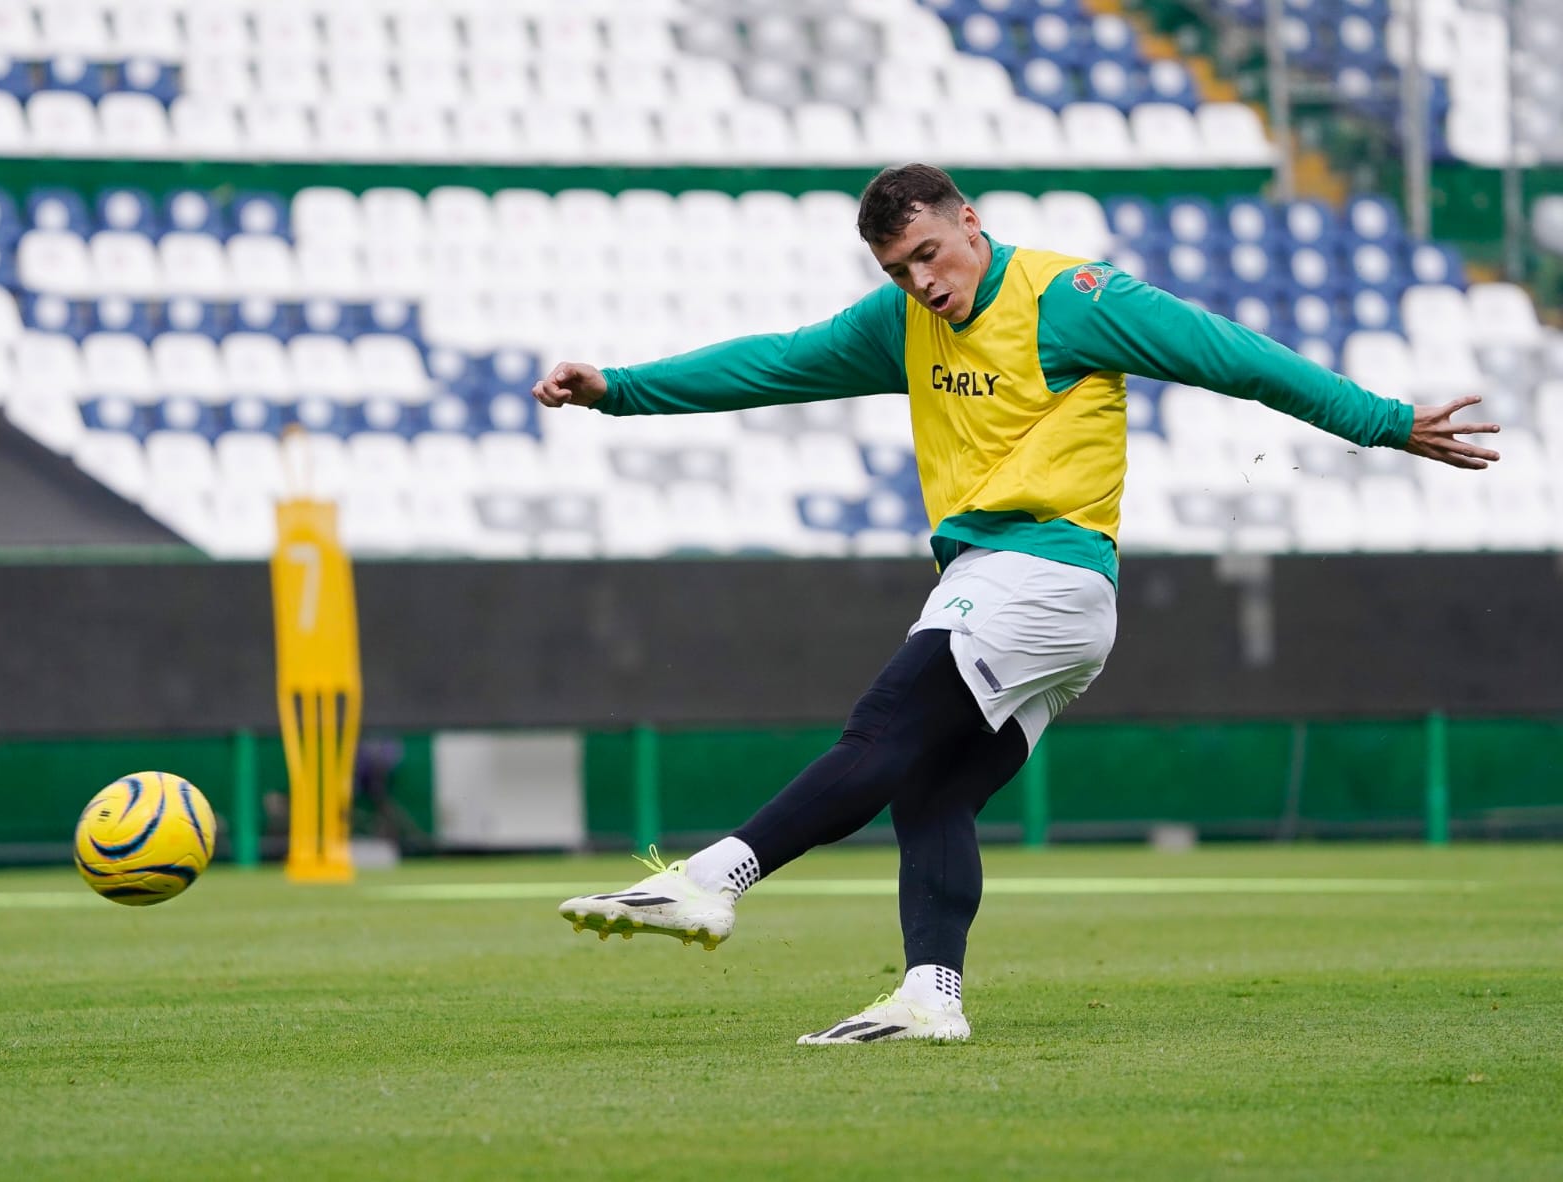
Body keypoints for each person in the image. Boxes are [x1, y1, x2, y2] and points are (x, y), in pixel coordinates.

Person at [532, 164, 1500, 1045]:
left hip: (1039, 571)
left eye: (929, 254)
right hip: (1035, 596)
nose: (921, 282)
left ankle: (713, 881)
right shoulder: (900, 321)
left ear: (970, 222)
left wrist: (1381, 421)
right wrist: (617, 389)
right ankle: (931, 996)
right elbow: (774, 364)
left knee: (882, 728)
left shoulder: (1070, 298)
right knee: (933, 787)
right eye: (898, 270)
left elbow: (1233, 355)